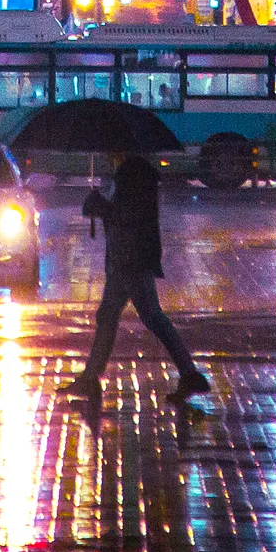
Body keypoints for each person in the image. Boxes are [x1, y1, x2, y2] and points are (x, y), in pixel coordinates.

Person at [65, 149, 210, 411]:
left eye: (110, 150)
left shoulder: (134, 174)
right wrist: (100, 206)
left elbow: (127, 216)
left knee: (152, 316)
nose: (107, 156)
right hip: (123, 259)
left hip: (131, 260)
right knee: (107, 316)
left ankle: (190, 375)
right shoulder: (128, 173)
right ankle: (90, 378)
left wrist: (99, 206)